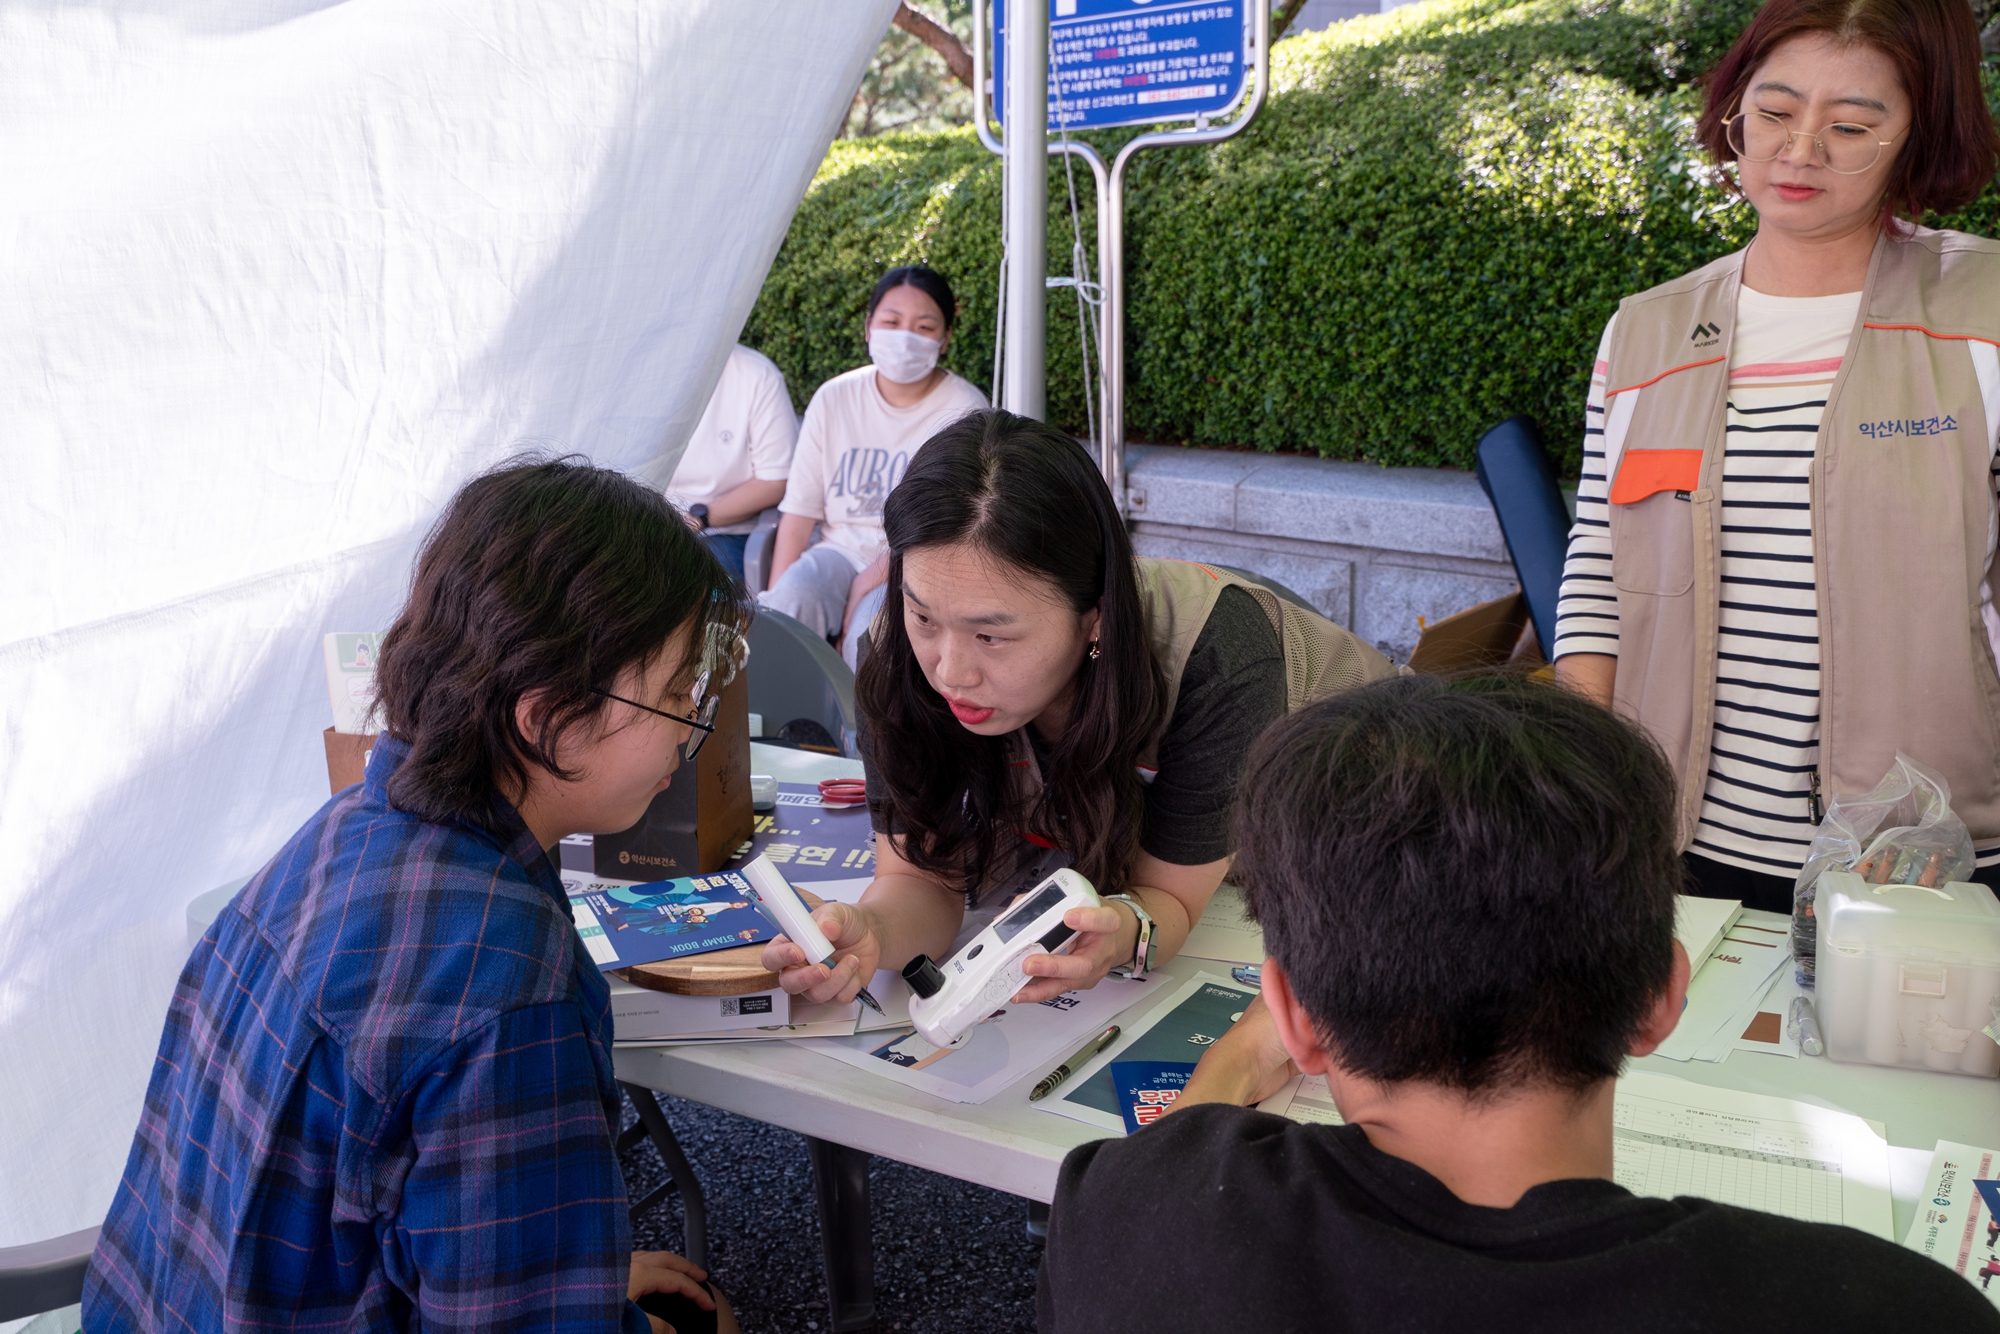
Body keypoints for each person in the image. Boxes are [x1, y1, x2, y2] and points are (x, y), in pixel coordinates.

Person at [1036, 672, 2000, 1333]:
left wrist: (1250, 1055)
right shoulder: (1888, 1311)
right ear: (1662, 998)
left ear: (1294, 1016)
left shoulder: (1123, 1220)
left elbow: (1170, 1167)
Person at [85, 459, 742, 1334]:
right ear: (547, 718)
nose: (691, 726)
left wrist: (568, 1265)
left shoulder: (339, 833)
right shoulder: (511, 985)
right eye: (672, 697)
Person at [1551, 0, 2000, 913]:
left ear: (1918, 139)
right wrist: (1587, 796)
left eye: (1852, 127)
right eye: (1774, 111)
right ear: (1733, 114)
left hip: (1921, 861)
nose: (1800, 151)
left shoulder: (1983, 313)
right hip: (1674, 849)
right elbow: (1600, 576)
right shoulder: (1648, 332)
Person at [761, 409, 1392, 1012]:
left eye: (991, 635)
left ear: (1093, 619)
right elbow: (922, 880)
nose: (949, 671)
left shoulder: (1219, 659)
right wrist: (870, 930)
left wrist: (1119, 932)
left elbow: (1166, 899)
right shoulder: (896, 660)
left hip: (1362, 843)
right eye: (922, 614)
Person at [759, 265, 986, 667]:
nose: (905, 337)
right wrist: (778, 618)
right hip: (838, 552)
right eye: (891, 322)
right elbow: (798, 515)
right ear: (868, 327)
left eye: (924, 326)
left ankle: (862, 732)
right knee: (788, 603)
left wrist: (868, 583)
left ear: (946, 338)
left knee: (868, 637)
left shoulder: (964, 408)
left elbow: (946, 528)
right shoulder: (834, 398)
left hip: (913, 563)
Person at [665, 343, 798, 585]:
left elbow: (776, 481)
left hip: (720, 532)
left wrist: (695, 520)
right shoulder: (635, 368)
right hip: (637, 523)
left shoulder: (756, 374)